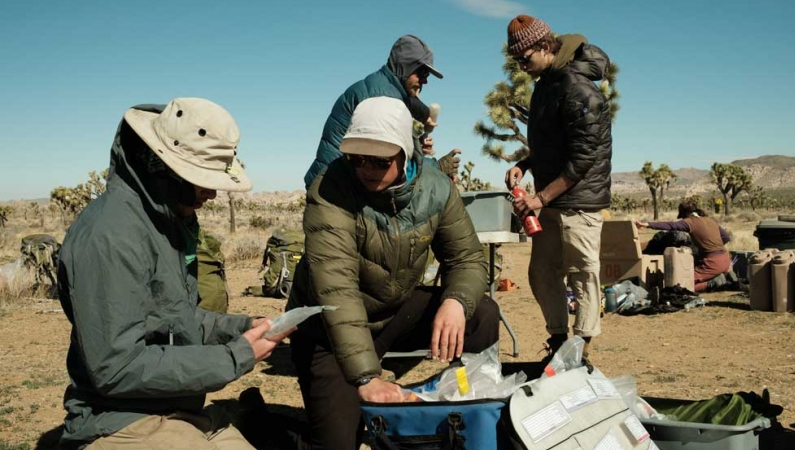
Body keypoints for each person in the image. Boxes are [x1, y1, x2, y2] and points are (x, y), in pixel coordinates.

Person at [57, 98, 295, 449]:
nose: (211, 193)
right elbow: (117, 367)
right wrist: (235, 355)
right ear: (164, 169)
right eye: (202, 181)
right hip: (118, 421)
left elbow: (175, 317)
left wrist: (243, 326)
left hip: (175, 409)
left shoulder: (163, 223)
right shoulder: (111, 237)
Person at [288, 97, 500, 450]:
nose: (366, 169)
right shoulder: (329, 191)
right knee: (338, 444)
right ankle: (260, 422)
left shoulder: (435, 188)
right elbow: (337, 289)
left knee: (482, 311)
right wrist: (367, 377)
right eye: (357, 158)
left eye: (379, 160)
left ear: (404, 154)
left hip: (393, 312)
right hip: (327, 330)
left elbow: (467, 258)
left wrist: (455, 302)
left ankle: (471, 407)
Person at [502, 14, 613, 363]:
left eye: (526, 58)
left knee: (583, 275)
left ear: (546, 47)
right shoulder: (545, 84)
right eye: (517, 60)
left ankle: (581, 351)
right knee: (541, 272)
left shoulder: (579, 90)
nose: (522, 65)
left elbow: (582, 159)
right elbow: (551, 145)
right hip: (550, 200)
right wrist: (525, 163)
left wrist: (540, 198)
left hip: (579, 201)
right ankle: (558, 342)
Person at [303, 34, 460, 189]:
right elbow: (386, 167)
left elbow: (412, 105)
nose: (425, 80)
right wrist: (438, 167)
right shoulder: (384, 101)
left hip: (330, 182)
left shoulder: (381, 85)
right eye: (422, 73)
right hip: (336, 191)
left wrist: (416, 144)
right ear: (405, 67)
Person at [636, 200, 732, 291]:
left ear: (685, 214)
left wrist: (647, 224)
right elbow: (726, 238)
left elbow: (670, 225)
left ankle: (714, 282)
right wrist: (712, 248)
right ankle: (718, 275)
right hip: (726, 258)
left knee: (679, 285)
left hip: (713, 263)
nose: (682, 219)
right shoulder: (710, 220)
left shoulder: (690, 222)